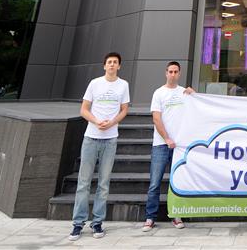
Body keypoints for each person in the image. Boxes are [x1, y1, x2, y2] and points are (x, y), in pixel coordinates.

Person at [69, 52, 130, 241]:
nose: (112, 64)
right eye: (109, 62)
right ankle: (78, 223)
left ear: (119, 66)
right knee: (84, 182)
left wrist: (112, 123)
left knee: (103, 183)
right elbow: (84, 109)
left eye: (115, 62)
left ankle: (97, 222)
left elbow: (124, 110)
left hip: (110, 139)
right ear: (104, 66)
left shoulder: (123, 85)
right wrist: (96, 121)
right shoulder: (95, 83)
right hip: (91, 138)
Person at [142, 62, 194, 231]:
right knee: (155, 183)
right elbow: (156, 118)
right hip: (161, 144)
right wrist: (166, 138)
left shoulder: (184, 93)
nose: (173, 74)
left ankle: (177, 215)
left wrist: (194, 95)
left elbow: (196, 110)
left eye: (175, 72)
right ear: (166, 73)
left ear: (179, 73)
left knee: (177, 182)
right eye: (170, 71)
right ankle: (150, 217)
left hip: (179, 146)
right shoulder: (159, 93)